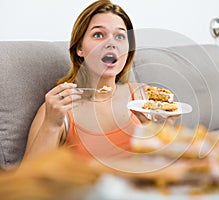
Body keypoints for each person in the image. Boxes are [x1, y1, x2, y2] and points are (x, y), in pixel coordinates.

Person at [24, 0, 155, 161]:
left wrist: (162, 131)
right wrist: (51, 125)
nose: (111, 43)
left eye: (120, 36)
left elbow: (175, 167)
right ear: (80, 48)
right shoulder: (58, 108)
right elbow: (27, 179)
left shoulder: (145, 98)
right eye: (99, 35)